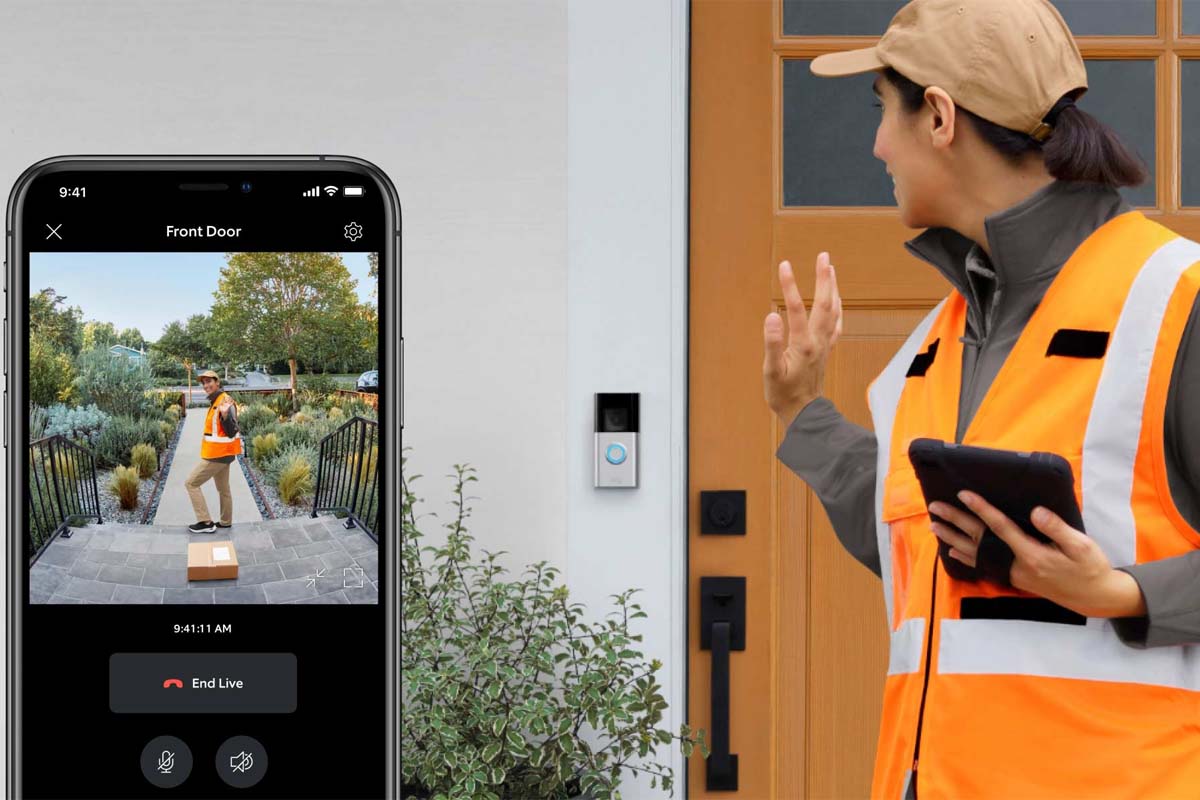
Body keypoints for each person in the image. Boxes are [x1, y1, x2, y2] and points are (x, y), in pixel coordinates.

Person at [762, 1, 1200, 797]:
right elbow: (920, 551)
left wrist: (1122, 594)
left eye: (881, 113)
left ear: (937, 115)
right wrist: (802, 413)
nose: (875, 148)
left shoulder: (1178, 299)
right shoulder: (929, 348)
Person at [184, 369, 242, 533]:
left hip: (218, 455)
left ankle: (205, 522)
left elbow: (232, 429)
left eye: (209, 381)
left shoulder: (225, 401)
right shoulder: (217, 400)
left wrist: (225, 416)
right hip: (223, 453)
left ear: (217, 382)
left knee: (191, 483)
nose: (206, 385)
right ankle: (225, 522)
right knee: (223, 489)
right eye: (204, 383)